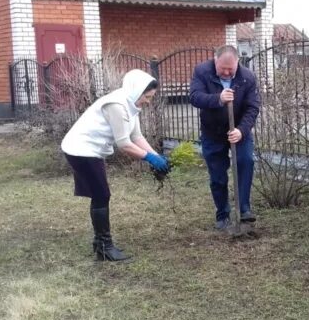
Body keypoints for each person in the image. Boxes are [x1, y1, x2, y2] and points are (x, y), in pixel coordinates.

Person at [61, 69, 169, 261]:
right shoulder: (117, 105)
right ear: (137, 91)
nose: (148, 101)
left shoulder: (131, 104)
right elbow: (124, 143)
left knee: (100, 194)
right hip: (81, 149)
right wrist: (150, 159)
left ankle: (100, 243)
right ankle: (104, 246)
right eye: (147, 97)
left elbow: (136, 136)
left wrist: (156, 155)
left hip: (91, 150)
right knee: (101, 194)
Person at [189, 45, 261, 230]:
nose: (227, 73)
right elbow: (195, 97)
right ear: (215, 61)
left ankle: (244, 209)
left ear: (238, 62)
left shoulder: (247, 77)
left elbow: (252, 107)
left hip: (238, 131)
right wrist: (218, 99)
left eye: (231, 69)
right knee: (218, 175)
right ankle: (222, 214)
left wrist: (241, 131)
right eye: (223, 69)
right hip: (212, 132)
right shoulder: (202, 71)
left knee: (245, 162)